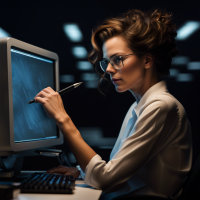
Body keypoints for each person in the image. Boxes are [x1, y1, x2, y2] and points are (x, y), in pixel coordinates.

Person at [35, 8, 193, 200]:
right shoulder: (141, 105)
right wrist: (80, 171)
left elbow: (106, 180)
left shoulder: (160, 106)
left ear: (147, 60)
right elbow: (116, 169)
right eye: (107, 61)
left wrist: (62, 119)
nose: (108, 69)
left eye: (118, 59)